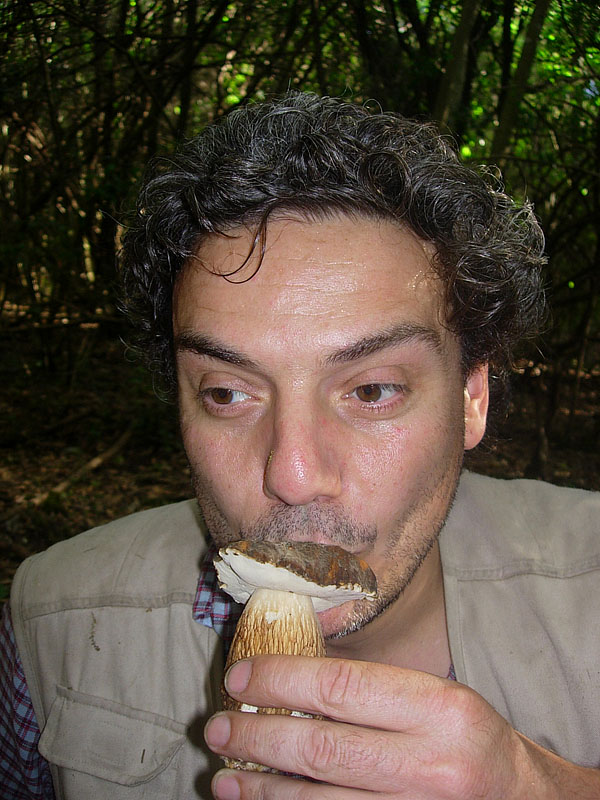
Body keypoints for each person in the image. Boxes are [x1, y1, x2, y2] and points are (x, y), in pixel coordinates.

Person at [1, 91, 599, 800]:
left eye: (372, 390)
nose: (291, 475)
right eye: (227, 394)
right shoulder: (50, 627)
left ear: (472, 398)